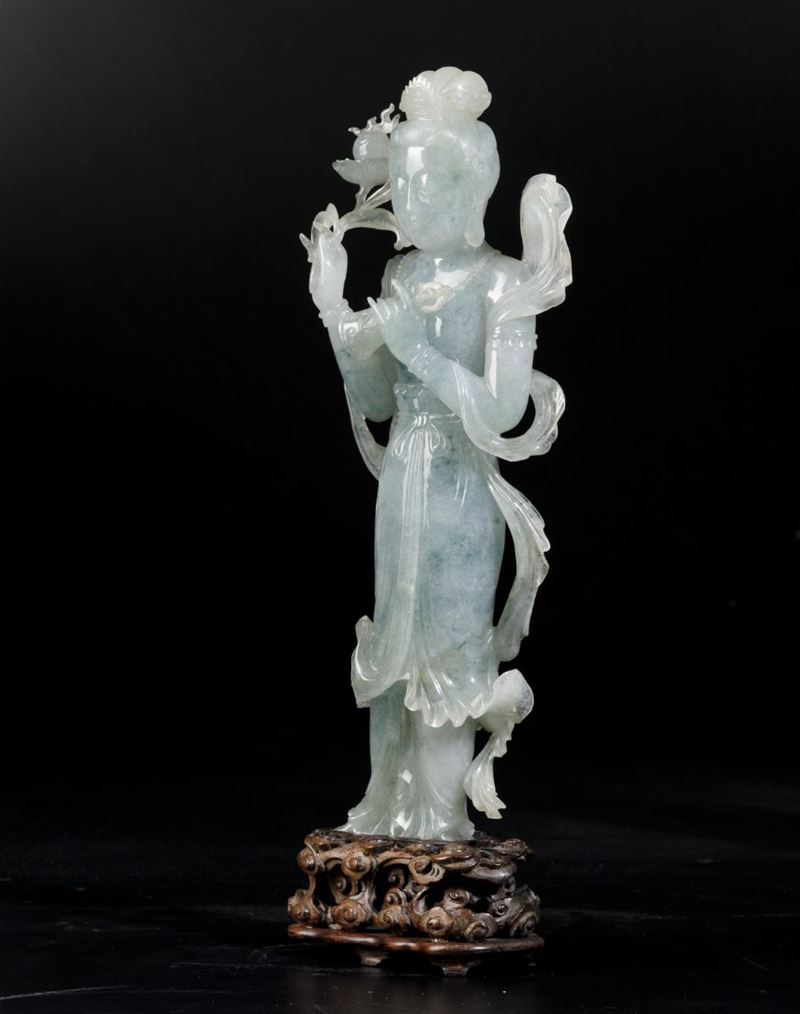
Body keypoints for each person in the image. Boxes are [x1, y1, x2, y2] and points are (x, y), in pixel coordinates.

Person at [304, 68, 567, 840]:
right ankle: (385, 807)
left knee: (447, 651)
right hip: (407, 475)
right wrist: (335, 314)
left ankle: (440, 820)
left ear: (471, 186)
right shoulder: (400, 273)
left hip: (461, 484)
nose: (409, 203)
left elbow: (502, 410)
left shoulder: (502, 283)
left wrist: (418, 348)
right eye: (404, 185)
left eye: (426, 185)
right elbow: (379, 400)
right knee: (394, 643)